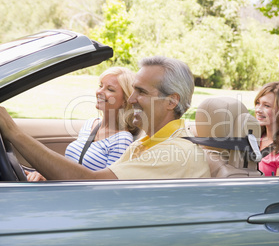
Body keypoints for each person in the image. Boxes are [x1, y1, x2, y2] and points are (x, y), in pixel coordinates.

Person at [0, 56, 211, 180]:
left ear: (171, 101)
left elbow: (92, 183)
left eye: (141, 92)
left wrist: (14, 132)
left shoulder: (174, 152)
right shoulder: (145, 145)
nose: (131, 98)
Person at [26, 67, 140, 181]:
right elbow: (69, 171)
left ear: (125, 100)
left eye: (110, 89)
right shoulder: (91, 124)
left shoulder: (122, 140)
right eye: (100, 86)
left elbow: (108, 186)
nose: (99, 92)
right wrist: (46, 177)